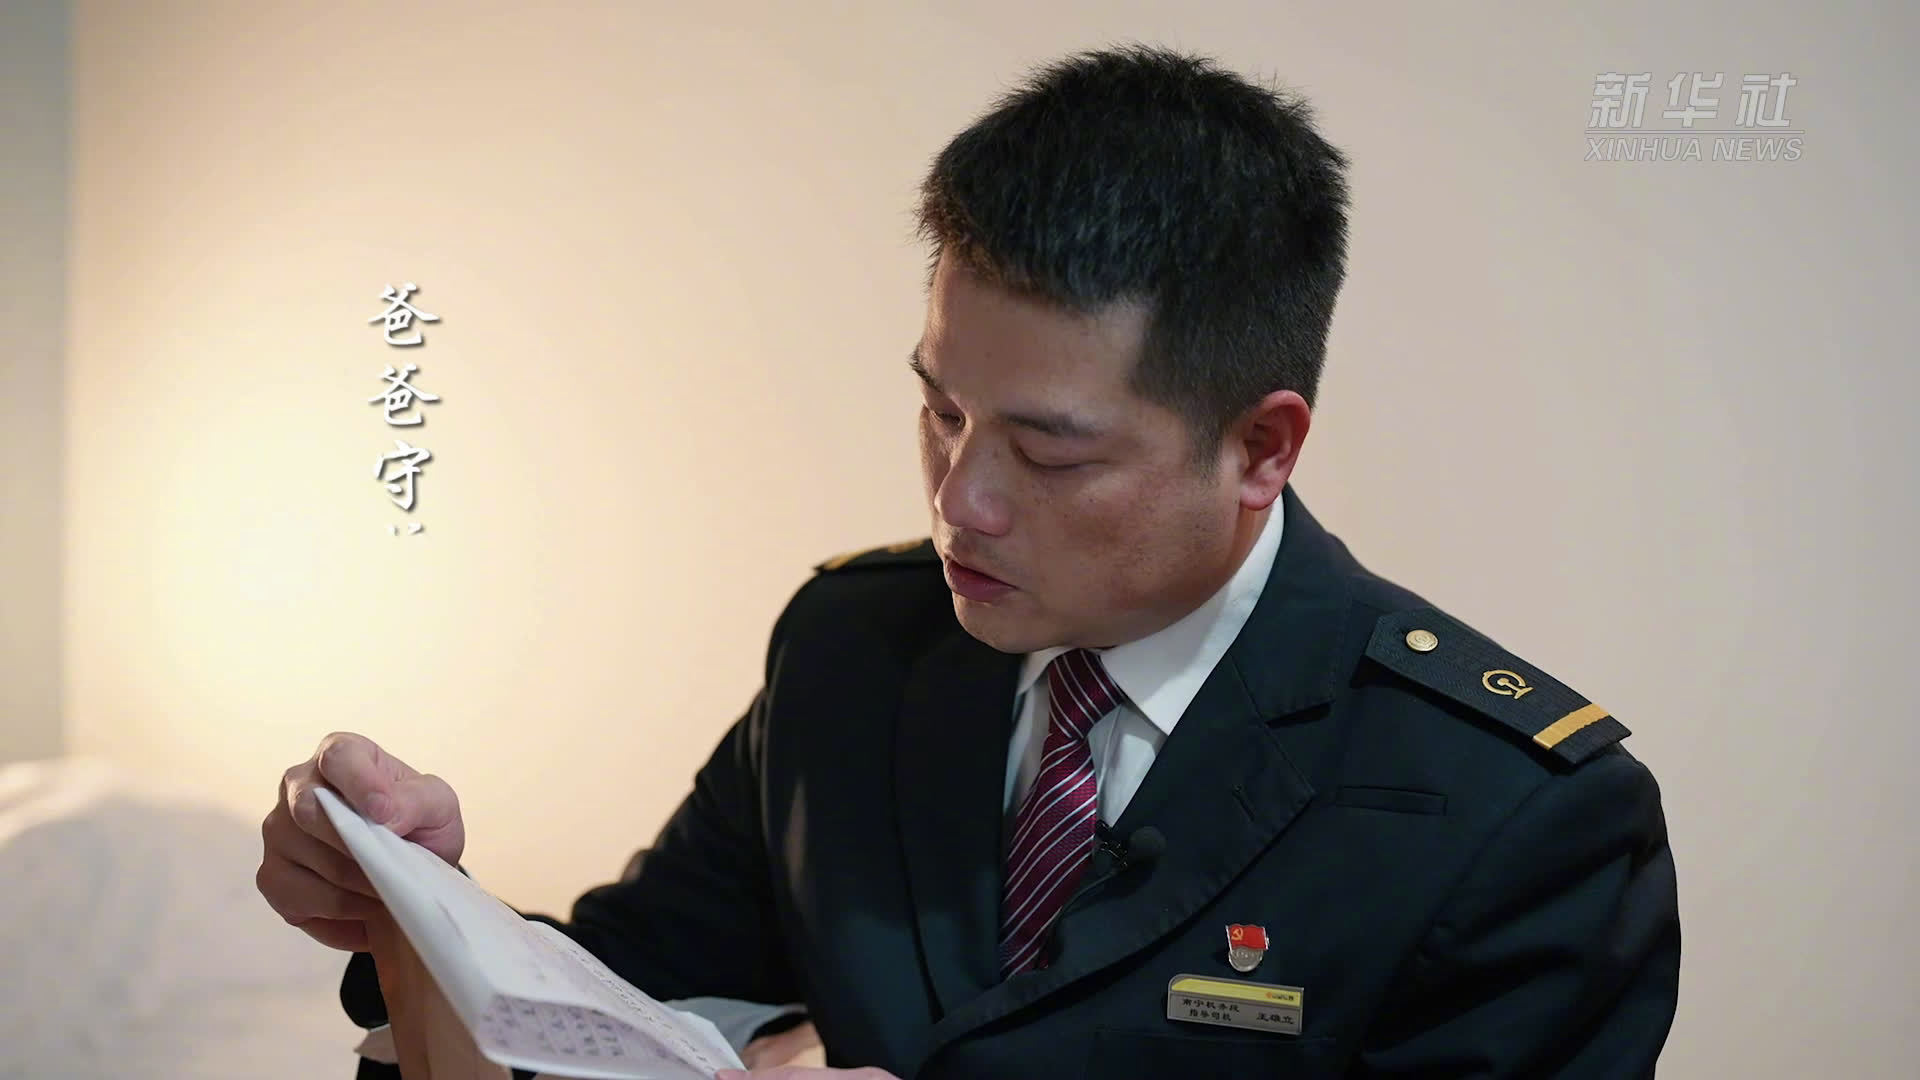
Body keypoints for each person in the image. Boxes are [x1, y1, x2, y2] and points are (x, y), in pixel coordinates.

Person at [257, 44, 1679, 1078]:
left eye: (1051, 454)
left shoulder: (1513, 817)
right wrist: (419, 909)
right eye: (941, 411)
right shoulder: (853, 650)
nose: (962, 504)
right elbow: (633, 995)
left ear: (1262, 448)